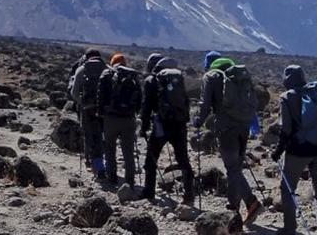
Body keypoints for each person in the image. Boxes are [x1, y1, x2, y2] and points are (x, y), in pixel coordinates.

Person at [272, 65, 317, 235]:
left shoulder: (287, 97)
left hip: (299, 151)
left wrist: (278, 151)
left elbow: (286, 130)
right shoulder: (316, 94)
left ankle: (289, 229)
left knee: (287, 188)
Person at [195, 54, 263, 225]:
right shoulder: (239, 76)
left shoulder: (211, 76)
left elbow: (205, 104)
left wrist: (198, 121)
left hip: (226, 129)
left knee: (232, 169)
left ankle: (250, 202)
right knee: (235, 168)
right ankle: (233, 208)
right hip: (243, 127)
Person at [139, 57, 195, 205]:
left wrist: (144, 127)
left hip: (161, 125)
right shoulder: (178, 80)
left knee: (151, 158)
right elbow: (186, 102)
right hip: (180, 125)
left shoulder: (151, 80)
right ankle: (189, 194)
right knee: (183, 160)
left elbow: (147, 106)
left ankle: (148, 191)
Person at [99, 53, 142, 186]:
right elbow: (140, 97)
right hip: (129, 119)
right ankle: (130, 181)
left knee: (110, 148)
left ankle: (112, 177)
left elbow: (100, 95)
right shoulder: (133, 76)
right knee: (128, 150)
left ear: (112, 62)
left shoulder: (107, 74)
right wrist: (135, 112)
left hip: (111, 118)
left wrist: (101, 113)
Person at [68, 48, 108, 180]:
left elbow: (74, 93)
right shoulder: (108, 69)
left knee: (90, 137)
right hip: (104, 111)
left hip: (87, 110)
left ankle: (95, 165)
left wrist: (83, 103)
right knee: (102, 138)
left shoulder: (81, 69)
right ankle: (105, 166)